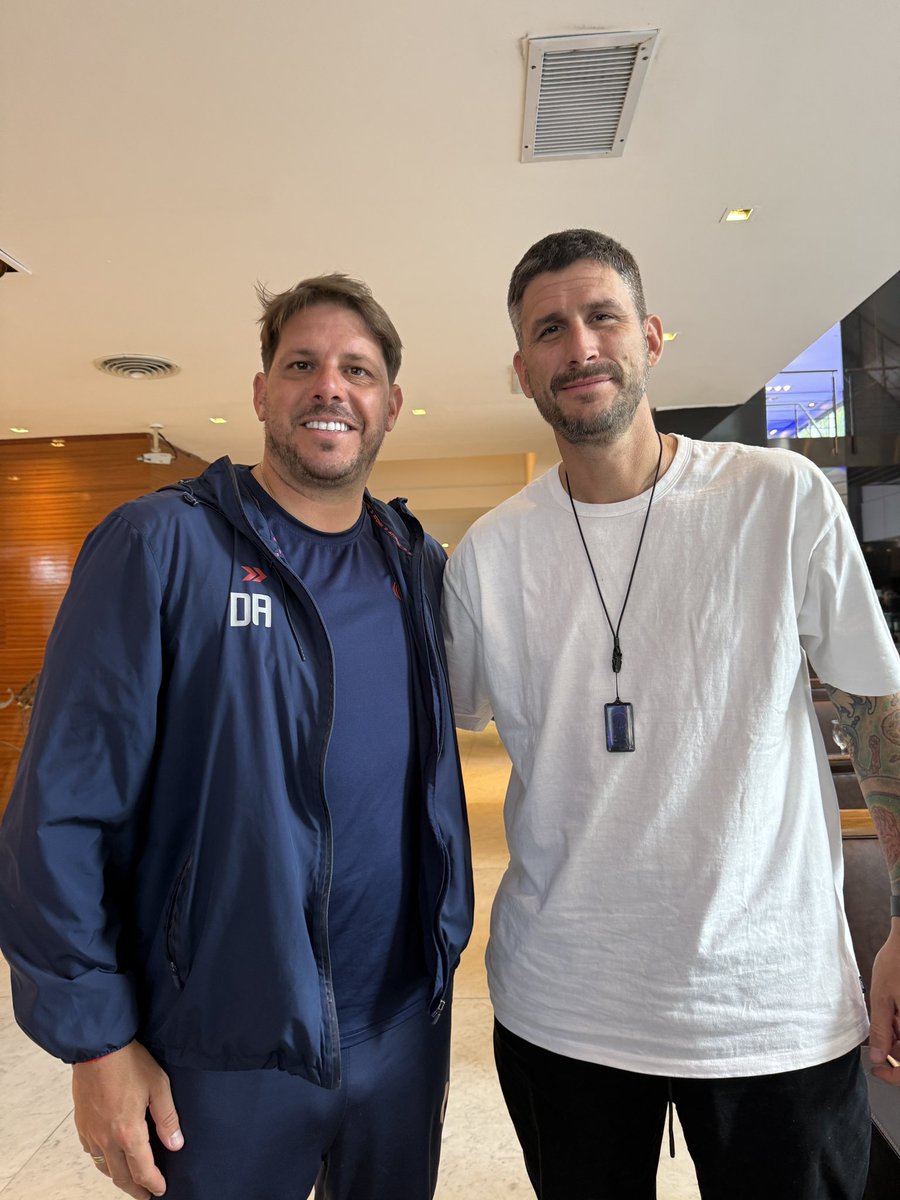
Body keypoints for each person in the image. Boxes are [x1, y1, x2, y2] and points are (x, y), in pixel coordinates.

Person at [441, 229, 900, 1199]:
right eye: (549, 329)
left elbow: (874, 710)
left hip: (770, 999)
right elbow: (428, 745)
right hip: (563, 1002)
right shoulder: (489, 554)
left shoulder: (778, 497)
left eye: (602, 316)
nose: (580, 346)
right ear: (521, 367)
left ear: (650, 336)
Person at [0, 273, 473, 1200]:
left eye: (357, 370)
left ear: (390, 406)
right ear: (262, 392)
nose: (329, 387)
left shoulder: (413, 563)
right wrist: (95, 1039)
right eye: (302, 364)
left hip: (403, 1029)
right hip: (220, 1046)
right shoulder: (160, 546)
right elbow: (60, 810)